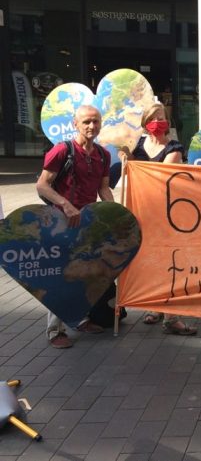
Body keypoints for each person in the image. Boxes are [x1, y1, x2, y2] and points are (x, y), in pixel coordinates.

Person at [36, 105, 113, 349]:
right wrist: (65, 204)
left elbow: (103, 189)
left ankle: (79, 318)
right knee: (62, 275)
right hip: (61, 223)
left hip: (87, 224)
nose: (92, 126)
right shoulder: (62, 150)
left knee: (85, 273)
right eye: (86, 121)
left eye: (96, 121)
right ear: (75, 124)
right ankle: (54, 330)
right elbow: (42, 185)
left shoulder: (103, 155)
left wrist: (113, 213)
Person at [119, 103, 197, 335]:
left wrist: (132, 162)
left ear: (168, 122)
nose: (157, 122)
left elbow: (158, 176)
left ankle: (170, 316)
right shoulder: (138, 145)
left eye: (161, 117)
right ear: (145, 122)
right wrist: (125, 156)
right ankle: (154, 306)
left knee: (168, 262)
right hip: (142, 210)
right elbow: (129, 173)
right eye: (153, 118)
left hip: (166, 213)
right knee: (149, 261)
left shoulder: (174, 147)